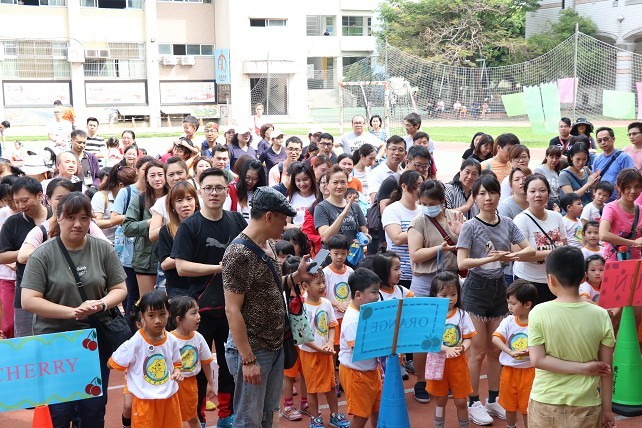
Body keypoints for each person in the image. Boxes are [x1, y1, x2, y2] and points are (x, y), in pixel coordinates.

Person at [21, 191, 126, 427]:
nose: (78, 224)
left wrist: (100, 304)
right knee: (59, 411)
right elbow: (29, 300)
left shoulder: (103, 249)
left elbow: (120, 288)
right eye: (70, 217)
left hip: (93, 340)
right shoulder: (42, 254)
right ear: (58, 218)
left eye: (84, 218)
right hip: (55, 342)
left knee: (93, 409)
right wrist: (72, 312)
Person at [222, 186, 315, 427]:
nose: (286, 225)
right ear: (269, 216)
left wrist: (296, 277)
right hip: (254, 349)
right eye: (284, 219)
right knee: (248, 420)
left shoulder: (269, 245)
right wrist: (248, 360)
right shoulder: (238, 253)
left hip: (274, 344)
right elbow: (232, 309)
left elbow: (270, 287)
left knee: (267, 415)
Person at [456, 174, 534, 426]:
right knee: (477, 351)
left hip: (499, 288)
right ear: (475, 198)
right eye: (481, 194)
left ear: (500, 195)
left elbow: (529, 249)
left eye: (492, 193)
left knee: (494, 349)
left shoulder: (508, 223)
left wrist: (511, 256)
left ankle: (493, 398)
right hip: (475, 289)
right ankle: (473, 402)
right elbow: (461, 262)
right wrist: (490, 259)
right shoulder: (470, 226)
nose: (487, 198)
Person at [173, 167, 247, 427]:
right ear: (200, 192)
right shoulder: (189, 226)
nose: (214, 193)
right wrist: (219, 268)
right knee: (195, 368)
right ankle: (200, 419)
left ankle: (227, 416)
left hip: (232, 308)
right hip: (199, 310)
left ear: (227, 191)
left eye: (219, 188)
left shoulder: (237, 220)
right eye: (208, 188)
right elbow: (181, 267)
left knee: (230, 366)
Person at [528, 246, 616, 428]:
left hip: (545, 401)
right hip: (586, 405)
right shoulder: (601, 315)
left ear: (550, 279)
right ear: (584, 278)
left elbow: (537, 360)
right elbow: (606, 369)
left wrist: (583, 369)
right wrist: (607, 410)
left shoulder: (538, 312)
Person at [407, 179, 464, 402]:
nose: (427, 207)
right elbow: (415, 255)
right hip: (425, 282)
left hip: (449, 281)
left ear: (442, 201)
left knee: (447, 331)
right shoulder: (418, 222)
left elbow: (467, 245)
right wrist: (438, 249)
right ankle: (422, 381)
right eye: (423, 203)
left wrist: (459, 234)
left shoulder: (455, 217)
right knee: (423, 335)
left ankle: (442, 378)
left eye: (432, 203)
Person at [108, 291, 183, 428]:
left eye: (162, 314)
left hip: (169, 399)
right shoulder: (134, 343)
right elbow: (111, 363)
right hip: (145, 401)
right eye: (151, 315)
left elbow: (176, 363)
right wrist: (132, 372)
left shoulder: (172, 339)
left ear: (169, 313)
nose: (158, 320)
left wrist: (177, 371)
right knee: (128, 407)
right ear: (142, 316)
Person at [299, 270, 350, 428]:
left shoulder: (326, 303)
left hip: (326, 353)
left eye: (323, 282)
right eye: (318, 283)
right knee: (312, 388)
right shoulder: (302, 307)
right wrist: (320, 349)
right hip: (310, 354)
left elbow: (332, 325)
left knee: (331, 386)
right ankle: (315, 418)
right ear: (305, 286)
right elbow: (303, 337)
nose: (322, 286)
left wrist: (329, 341)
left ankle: (334, 415)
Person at [0, 176, 50, 338]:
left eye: (25, 200)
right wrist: (27, 252)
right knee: (26, 339)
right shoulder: (13, 223)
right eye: (17, 202)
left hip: (57, 290)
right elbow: (2, 256)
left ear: (39, 195)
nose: (21, 206)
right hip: (26, 290)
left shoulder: (55, 218)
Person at [426, 272, 475, 428]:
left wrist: (463, 347)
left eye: (453, 294)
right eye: (444, 295)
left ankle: (464, 425)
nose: (450, 298)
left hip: (458, 364)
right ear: (435, 295)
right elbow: (428, 341)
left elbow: (468, 338)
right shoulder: (432, 316)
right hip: (438, 363)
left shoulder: (462, 314)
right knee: (440, 400)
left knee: (461, 401)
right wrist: (446, 349)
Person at [110, 156, 154, 328]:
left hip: (150, 255)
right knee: (133, 295)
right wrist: (137, 218)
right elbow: (114, 218)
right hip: (128, 251)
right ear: (138, 171)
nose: (151, 175)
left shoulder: (159, 193)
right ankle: (130, 332)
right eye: (146, 170)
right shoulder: (127, 192)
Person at [513, 174, 568, 304]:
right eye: (532, 191)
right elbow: (518, 255)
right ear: (526, 195)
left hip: (554, 280)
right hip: (528, 281)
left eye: (542, 190)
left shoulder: (557, 217)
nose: (538, 195)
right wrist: (553, 253)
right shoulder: (521, 220)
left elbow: (564, 245)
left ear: (548, 193)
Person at [338, 268, 382, 428]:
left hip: (370, 370)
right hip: (356, 374)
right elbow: (360, 349)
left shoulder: (366, 311)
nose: (377, 296)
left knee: (378, 410)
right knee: (361, 416)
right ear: (358, 295)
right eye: (374, 292)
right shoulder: (352, 320)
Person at [491, 280, 538, 428]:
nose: (509, 307)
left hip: (529, 372)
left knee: (527, 408)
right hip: (509, 371)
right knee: (509, 406)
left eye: (513, 303)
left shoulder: (536, 323)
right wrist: (510, 351)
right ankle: (511, 426)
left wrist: (531, 351)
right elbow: (495, 338)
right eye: (508, 303)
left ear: (527, 304)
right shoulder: (509, 321)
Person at [122, 159, 168, 296]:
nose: (157, 179)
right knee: (148, 301)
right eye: (152, 175)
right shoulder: (140, 200)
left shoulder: (174, 198)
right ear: (146, 178)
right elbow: (127, 227)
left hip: (169, 258)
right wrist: (150, 222)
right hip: (146, 260)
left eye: (160, 174)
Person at [169, 296, 216, 428]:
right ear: (179, 319)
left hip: (190, 385)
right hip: (172, 384)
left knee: (193, 417)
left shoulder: (198, 337)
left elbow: (206, 362)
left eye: (198, 312)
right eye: (193, 313)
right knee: (172, 418)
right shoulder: (170, 339)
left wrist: (210, 383)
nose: (198, 317)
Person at [158, 182, 200, 298]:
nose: (185, 204)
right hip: (178, 289)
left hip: (204, 285)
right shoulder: (166, 231)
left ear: (196, 202)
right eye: (179, 200)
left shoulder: (205, 226)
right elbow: (165, 264)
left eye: (189, 199)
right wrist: (186, 253)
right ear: (173, 206)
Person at [381, 170, 423, 287]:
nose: (419, 190)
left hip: (420, 273)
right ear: (403, 186)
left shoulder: (422, 210)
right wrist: (421, 230)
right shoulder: (392, 210)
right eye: (416, 186)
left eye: (421, 186)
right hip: (399, 274)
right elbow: (397, 238)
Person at [315, 165, 367, 246]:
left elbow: (365, 232)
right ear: (327, 185)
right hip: (332, 252)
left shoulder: (354, 206)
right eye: (335, 182)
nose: (339, 186)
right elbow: (325, 238)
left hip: (352, 252)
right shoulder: (321, 207)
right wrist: (343, 215)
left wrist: (366, 240)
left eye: (343, 182)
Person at [598, 168, 642, 262]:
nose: (633, 191)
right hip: (614, 262)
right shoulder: (610, 208)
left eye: (637, 186)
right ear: (618, 187)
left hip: (636, 262)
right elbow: (603, 234)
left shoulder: (640, 210)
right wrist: (633, 242)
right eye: (628, 187)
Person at [498, 167, 532, 285]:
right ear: (511, 185)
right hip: (511, 267)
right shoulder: (505, 207)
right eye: (517, 179)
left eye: (525, 179)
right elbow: (503, 239)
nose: (522, 182)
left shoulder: (536, 203)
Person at [323, 235, 353, 354]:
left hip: (347, 315)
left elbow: (354, 292)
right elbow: (322, 296)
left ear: (348, 253)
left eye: (343, 253)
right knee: (334, 347)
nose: (339, 257)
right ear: (329, 253)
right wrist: (337, 304)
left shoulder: (350, 272)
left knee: (346, 346)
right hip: (333, 316)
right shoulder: (325, 273)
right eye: (336, 253)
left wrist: (350, 303)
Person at [92, 165, 137, 242]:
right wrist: (118, 219)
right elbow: (96, 222)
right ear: (121, 185)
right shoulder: (101, 196)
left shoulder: (132, 198)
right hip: (106, 242)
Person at [593, 126, 634, 202]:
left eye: (606, 139)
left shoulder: (624, 158)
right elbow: (594, 181)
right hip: (601, 202)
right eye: (599, 140)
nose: (603, 142)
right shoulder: (597, 160)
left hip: (618, 201)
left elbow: (630, 180)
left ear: (613, 139)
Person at [0, 177, 18, 339]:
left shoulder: (28, 215)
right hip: (7, 275)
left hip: (27, 276)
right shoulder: (2, 214)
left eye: (14, 200)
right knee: (8, 323)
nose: (12, 204)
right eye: (7, 201)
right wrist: (10, 263)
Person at [368, 136, 406, 202]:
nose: (396, 153)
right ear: (386, 151)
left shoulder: (405, 173)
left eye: (400, 150)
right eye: (393, 149)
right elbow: (375, 200)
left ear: (405, 154)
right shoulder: (376, 173)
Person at [286, 161, 317, 226]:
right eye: (298, 180)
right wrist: (299, 228)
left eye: (305, 179)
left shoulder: (318, 196)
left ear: (311, 178)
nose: (302, 184)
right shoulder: (290, 198)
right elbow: (286, 224)